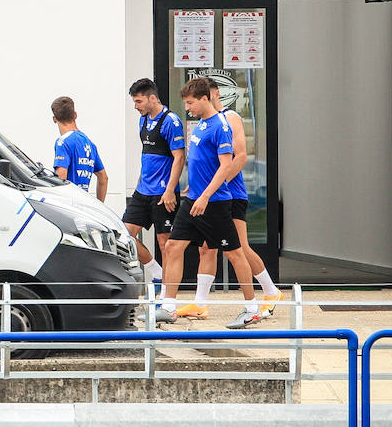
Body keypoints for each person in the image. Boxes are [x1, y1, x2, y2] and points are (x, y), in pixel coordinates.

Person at [152, 78, 259, 329]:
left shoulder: (220, 126)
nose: (187, 108)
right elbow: (201, 162)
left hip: (214, 203)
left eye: (190, 103)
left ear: (204, 99)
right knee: (173, 247)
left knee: (234, 253)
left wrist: (205, 196)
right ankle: (168, 306)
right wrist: (193, 189)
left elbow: (226, 165)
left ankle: (252, 308)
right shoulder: (200, 124)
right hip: (193, 200)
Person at [182, 79, 284, 319]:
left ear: (212, 94)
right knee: (206, 249)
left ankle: (270, 292)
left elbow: (240, 157)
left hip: (230, 193)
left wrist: (217, 184)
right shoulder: (205, 123)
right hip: (209, 194)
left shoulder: (230, 118)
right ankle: (200, 303)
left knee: (239, 247)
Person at [122, 79, 185, 286]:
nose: (136, 106)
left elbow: (179, 157)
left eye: (139, 101)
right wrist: (140, 181)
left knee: (165, 243)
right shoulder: (143, 121)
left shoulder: (170, 121)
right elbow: (147, 155)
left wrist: (169, 191)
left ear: (152, 98)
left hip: (163, 193)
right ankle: (156, 272)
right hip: (143, 190)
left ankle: (167, 293)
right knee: (125, 234)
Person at [50, 96, 108, 202]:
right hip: (83, 204)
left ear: (54, 119)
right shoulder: (90, 144)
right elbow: (103, 178)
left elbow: (61, 177)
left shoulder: (62, 142)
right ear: (75, 115)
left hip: (69, 204)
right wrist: (100, 205)